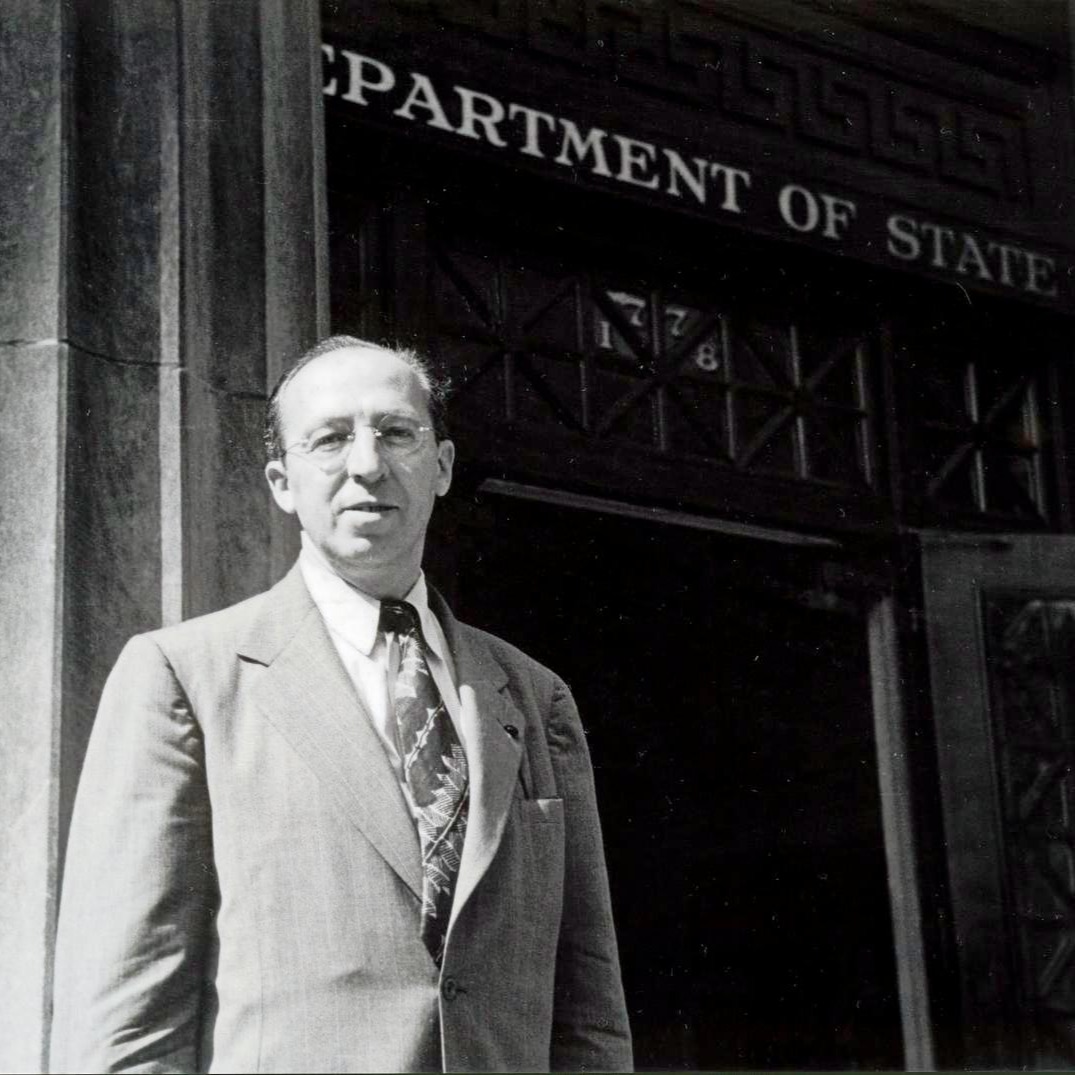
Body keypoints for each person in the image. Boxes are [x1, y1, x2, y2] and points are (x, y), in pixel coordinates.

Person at [50, 336, 633, 1074]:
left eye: (396, 432)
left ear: (442, 466)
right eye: (329, 439)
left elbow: (589, 1014)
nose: (366, 463)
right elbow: (124, 1025)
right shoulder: (186, 679)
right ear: (281, 481)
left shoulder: (532, 693)